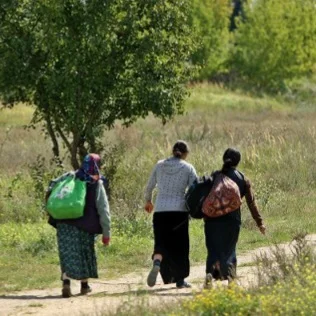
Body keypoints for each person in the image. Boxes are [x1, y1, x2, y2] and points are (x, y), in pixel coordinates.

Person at [46, 153, 111, 298]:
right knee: (84, 254)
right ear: (97, 166)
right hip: (85, 226)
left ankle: (66, 283)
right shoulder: (96, 183)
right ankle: (84, 286)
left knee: (66, 253)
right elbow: (103, 210)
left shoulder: (69, 177)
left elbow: (51, 186)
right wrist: (106, 233)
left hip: (63, 223)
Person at [203, 148, 266, 288]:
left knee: (213, 249)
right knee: (230, 249)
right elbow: (251, 202)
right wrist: (259, 222)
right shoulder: (242, 178)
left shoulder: (215, 175)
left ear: (223, 158)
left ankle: (210, 274)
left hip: (212, 219)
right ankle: (231, 281)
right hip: (232, 220)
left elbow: (204, 196)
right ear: (238, 162)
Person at [144, 140, 198, 289]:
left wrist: (148, 201)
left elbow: (149, 187)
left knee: (161, 243)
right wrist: (193, 208)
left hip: (160, 210)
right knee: (180, 247)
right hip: (179, 212)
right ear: (185, 154)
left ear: (172, 151)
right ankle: (180, 280)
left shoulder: (159, 165)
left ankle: (157, 261)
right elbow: (195, 189)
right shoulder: (188, 168)